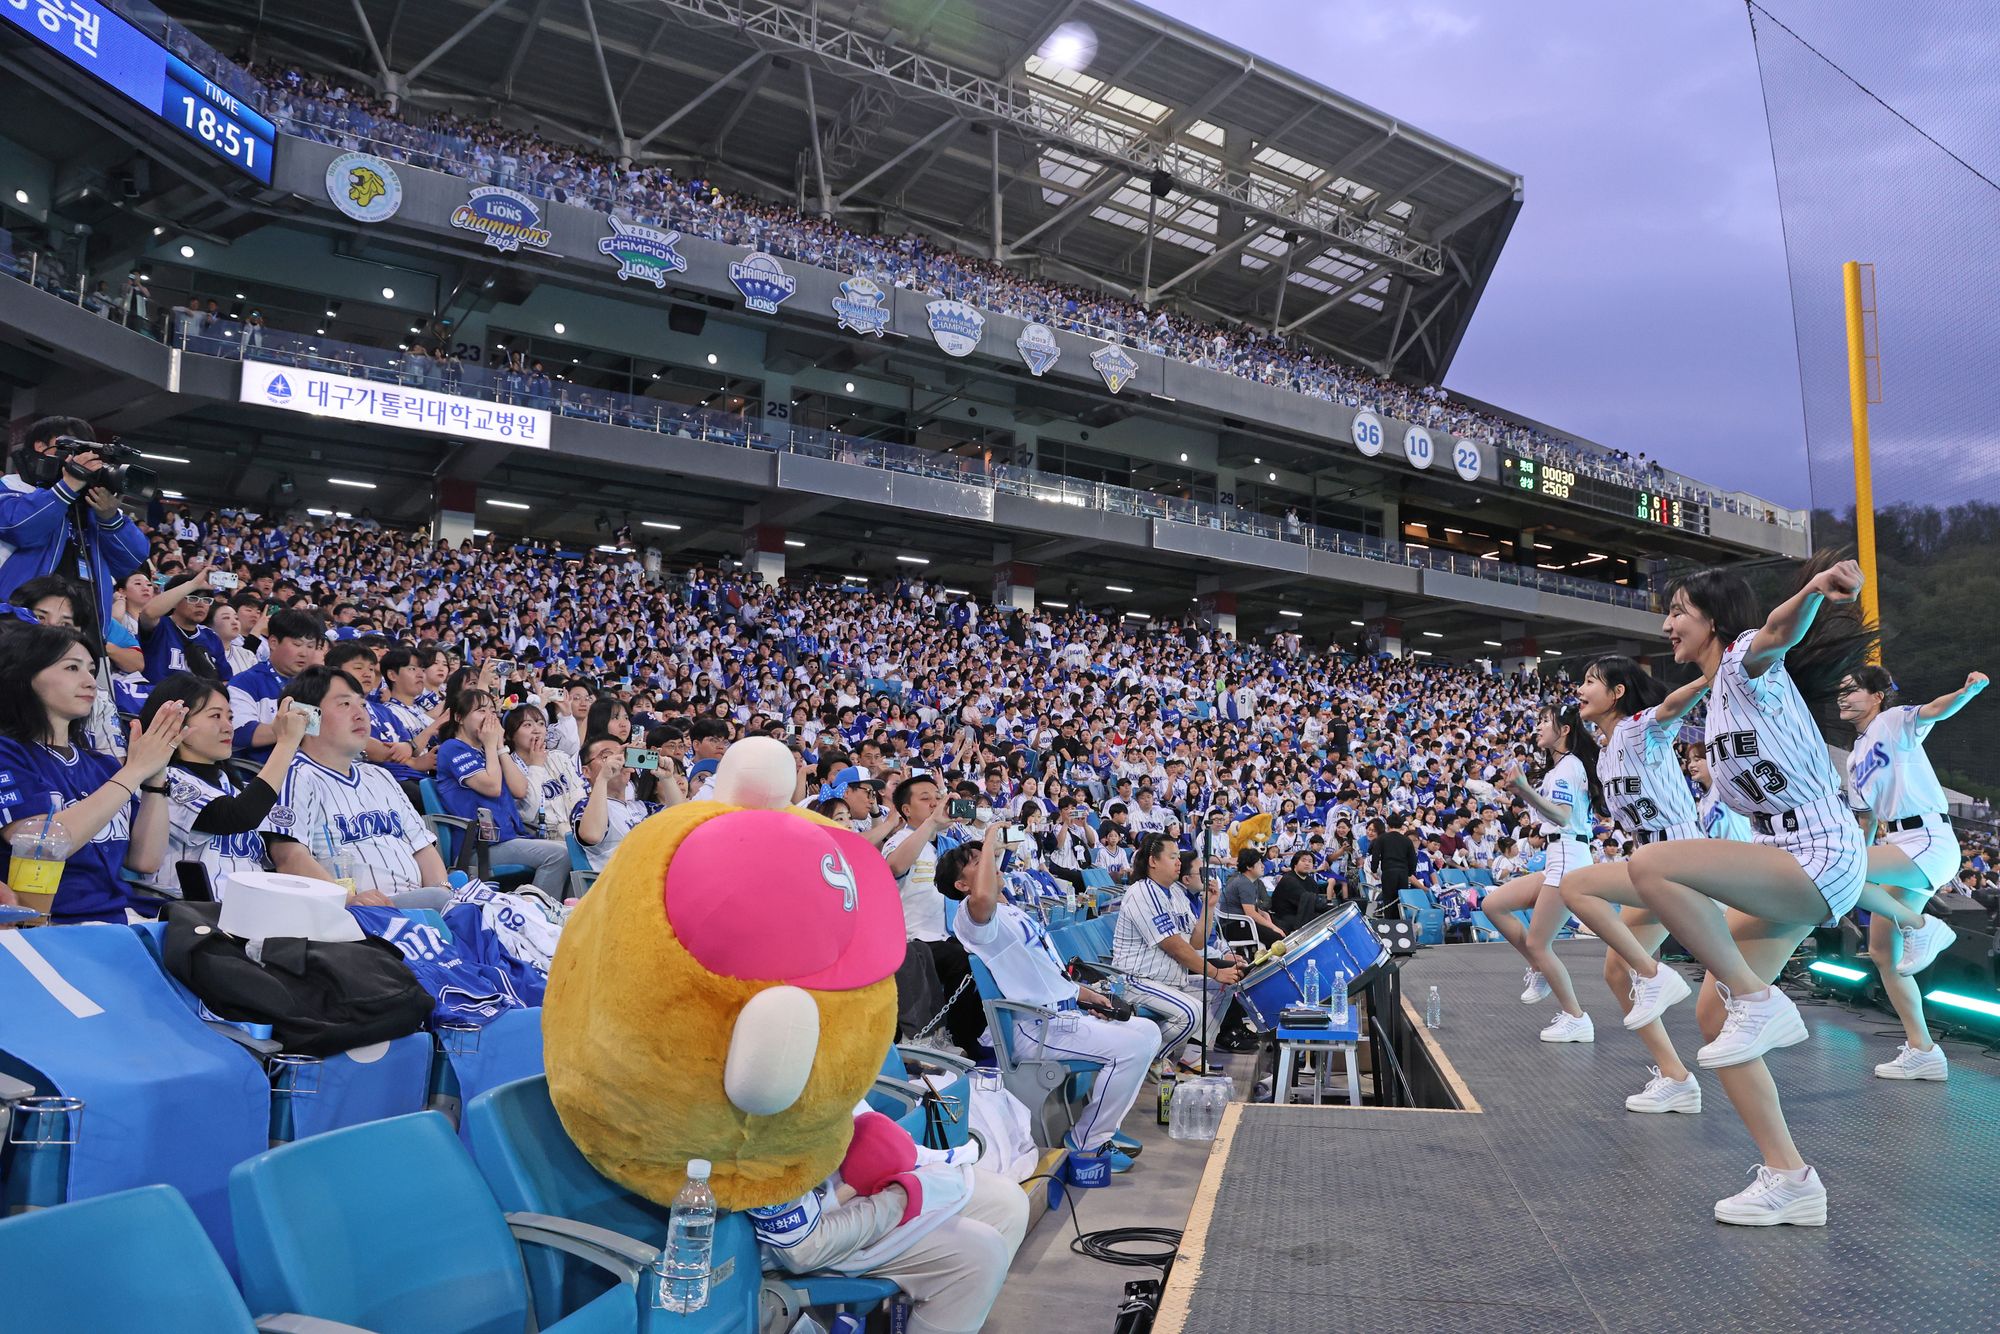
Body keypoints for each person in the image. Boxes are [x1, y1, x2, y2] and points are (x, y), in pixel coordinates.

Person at [1627, 559, 1874, 1227]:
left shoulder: (1741, 661)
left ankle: (1762, 1000)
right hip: (1786, 852)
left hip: (1818, 850)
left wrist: (1816, 591)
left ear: (1713, 619)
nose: (1667, 622)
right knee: (1715, 1016)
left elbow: (1774, 630)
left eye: (1678, 609)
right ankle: (1792, 1179)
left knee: (1651, 866)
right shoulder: (1714, 697)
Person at [938, 825, 1158, 1170]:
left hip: (1063, 1015)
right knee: (1130, 1049)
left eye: (987, 858)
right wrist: (992, 835)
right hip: (1034, 1027)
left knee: (1147, 1032)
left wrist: (1087, 995)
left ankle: (1103, 1130)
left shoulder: (1009, 909)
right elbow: (982, 899)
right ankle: (1088, 1141)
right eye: (977, 862)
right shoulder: (970, 915)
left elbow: (1048, 970)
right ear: (962, 885)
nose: (989, 863)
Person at [1554, 657, 1714, 1112]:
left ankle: (1657, 975)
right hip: (1650, 857)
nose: (1579, 688)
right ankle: (1676, 1078)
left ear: (1618, 692)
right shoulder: (1605, 753)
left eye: (1590, 681)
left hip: (1679, 853)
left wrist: (1710, 675)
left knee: (1577, 886)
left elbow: (1670, 708)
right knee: (1614, 971)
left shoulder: (1636, 728)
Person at [1839, 664, 1988, 1081]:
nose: (1843, 697)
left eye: (1852, 691)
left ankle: (1922, 926)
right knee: (1885, 954)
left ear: (1876, 696)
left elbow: (1936, 710)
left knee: (1836, 868)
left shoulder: (1892, 721)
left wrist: (1967, 691)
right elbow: (1866, 822)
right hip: (1898, 844)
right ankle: (1923, 1050)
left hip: (1928, 837)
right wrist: (1859, 865)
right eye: (1840, 692)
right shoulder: (1853, 761)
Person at [0, 624, 186, 922]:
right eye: (72, 668)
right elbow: (40, 842)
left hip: (118, 918)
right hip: (47, 925)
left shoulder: (103, 766)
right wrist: (133, 771)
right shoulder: (7, 753)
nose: (89, 681)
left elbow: (146, 859)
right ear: (24, 675)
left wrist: (154, 776)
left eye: (90, 669)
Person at [259, 666, 451, 903]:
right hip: (356, 915)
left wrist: (444, 890)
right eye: (344, 704)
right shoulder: (293, 775)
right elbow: (288, 857)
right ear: (306, 716)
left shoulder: (379, 776)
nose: (360, 714)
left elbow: (422, 848)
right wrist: (348, 900)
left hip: (417, 904)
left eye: (361, 704)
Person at [1481, 703, 1602, 1044]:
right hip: (1558, 854)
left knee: (1538, 942)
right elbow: (1555, 814)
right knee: (1494, 905)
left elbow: (1562, 817)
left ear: (1564, 730)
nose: (1537, 728)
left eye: (1545, 722)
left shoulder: (1567, 767)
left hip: (1567, 854)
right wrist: (1522, 791)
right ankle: (1538, 967)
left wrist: (1524, 789)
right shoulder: (1559, 768)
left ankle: (1576, 1017)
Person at [139, 671, 309, 900]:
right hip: (193, 919)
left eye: (229, 717)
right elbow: (237, 816)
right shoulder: (164, 779)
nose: (228, 727)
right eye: (215, 716)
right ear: (177, 723)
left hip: (252, 914)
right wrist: (287, 742)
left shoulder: (234, 787)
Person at [0, 416, 151, 629]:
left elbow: (132, 559)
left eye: (85, 449)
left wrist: (110, 518)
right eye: (70, 446)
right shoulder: (11, 486)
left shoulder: (91, 502)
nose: (77, 456)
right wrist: (66, 488)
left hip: (84, 630)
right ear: (40, 446)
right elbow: (18, 527)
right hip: (18, 626)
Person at [1110, 832, 1243, 1071]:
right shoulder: (1143, 892)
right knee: (1191, 1013)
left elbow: (1196, 944)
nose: (1178, 862)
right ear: (1153, 861)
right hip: (1137, 981)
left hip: (1169, 980)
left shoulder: (1176, 893)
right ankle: (1148, 1060)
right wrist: (1214, 971)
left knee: (1225, 987)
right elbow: (1173, 945)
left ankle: (1191, 1056)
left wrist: (1209, 907)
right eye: (1172, 857)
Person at [882, 772, 986, 1056]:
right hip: (914, 940)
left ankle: (972, 1035)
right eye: (925, 798)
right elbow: (894, 867)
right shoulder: (902, 839)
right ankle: (954, 1038)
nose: (934, 803)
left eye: (937, 798)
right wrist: (931, 824)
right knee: (960, 961)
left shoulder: (940, 844)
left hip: (944, 933)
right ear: (906, 809)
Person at [433, 689, 570, 898]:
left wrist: (499, 747)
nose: (489, 717)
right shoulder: (452, 748)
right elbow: (492, 787)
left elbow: (520, 789)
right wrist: (490, 745)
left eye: (492, 711)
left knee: (575, 851)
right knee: (559, 855)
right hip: (480, 848)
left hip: (508, 837)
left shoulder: (486, 751)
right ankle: (536, 913)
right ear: (459, 718)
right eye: (480, 711)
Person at [228, 608, 327, 759]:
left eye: (310, 646)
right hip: (261, 772)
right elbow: (241, 733)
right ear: (273, 642)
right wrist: (296, 728)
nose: (304, 653)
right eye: (297, 644)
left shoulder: (318, 684)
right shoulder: (245, 683)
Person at [572, 733, 650, 872]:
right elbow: (592, 835)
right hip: (619, 884)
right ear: (586, 771)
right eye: (607, 757)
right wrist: (603, 778)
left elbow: (683, 826)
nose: (617, 762)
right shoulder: (585, 806)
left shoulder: (644, 807)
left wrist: (668, 779)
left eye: (622, 756)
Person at [1219, 845, 1284, 946]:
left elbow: (1254, 910)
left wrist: (1264, 914)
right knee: (1277, 937)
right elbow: (1251, 913)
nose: (1263, 866)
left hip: (1240, 922)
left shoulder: (1246, 881)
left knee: (1281, 927)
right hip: (1233, 927)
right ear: (1249, 867)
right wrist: (1272, 927)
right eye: (1259, 863)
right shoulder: (1244, 883)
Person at [1271, 849, 1330, 933]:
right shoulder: (1289, 880)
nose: (1307, 863)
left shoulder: (1311, 882)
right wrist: (1333, 910)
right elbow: (1308, 900)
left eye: (1310, 861)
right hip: (1284, 917)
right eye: (1303, 860)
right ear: (1295, 864)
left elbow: (1314, 902)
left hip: (1303, 913)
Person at [1367, 813, 1415, 916]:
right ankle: (1402, 923)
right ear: (1401, 825)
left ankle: (1389, 924)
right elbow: (1412, 859)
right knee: (1401, 900)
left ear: (1388, 825)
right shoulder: (1407, 840)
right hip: (1403, 873)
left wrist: (1374, 870)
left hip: (1389, 872)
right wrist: (1410, 872)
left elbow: (1375, 855)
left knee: (1389, 900)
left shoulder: (1382, 839)